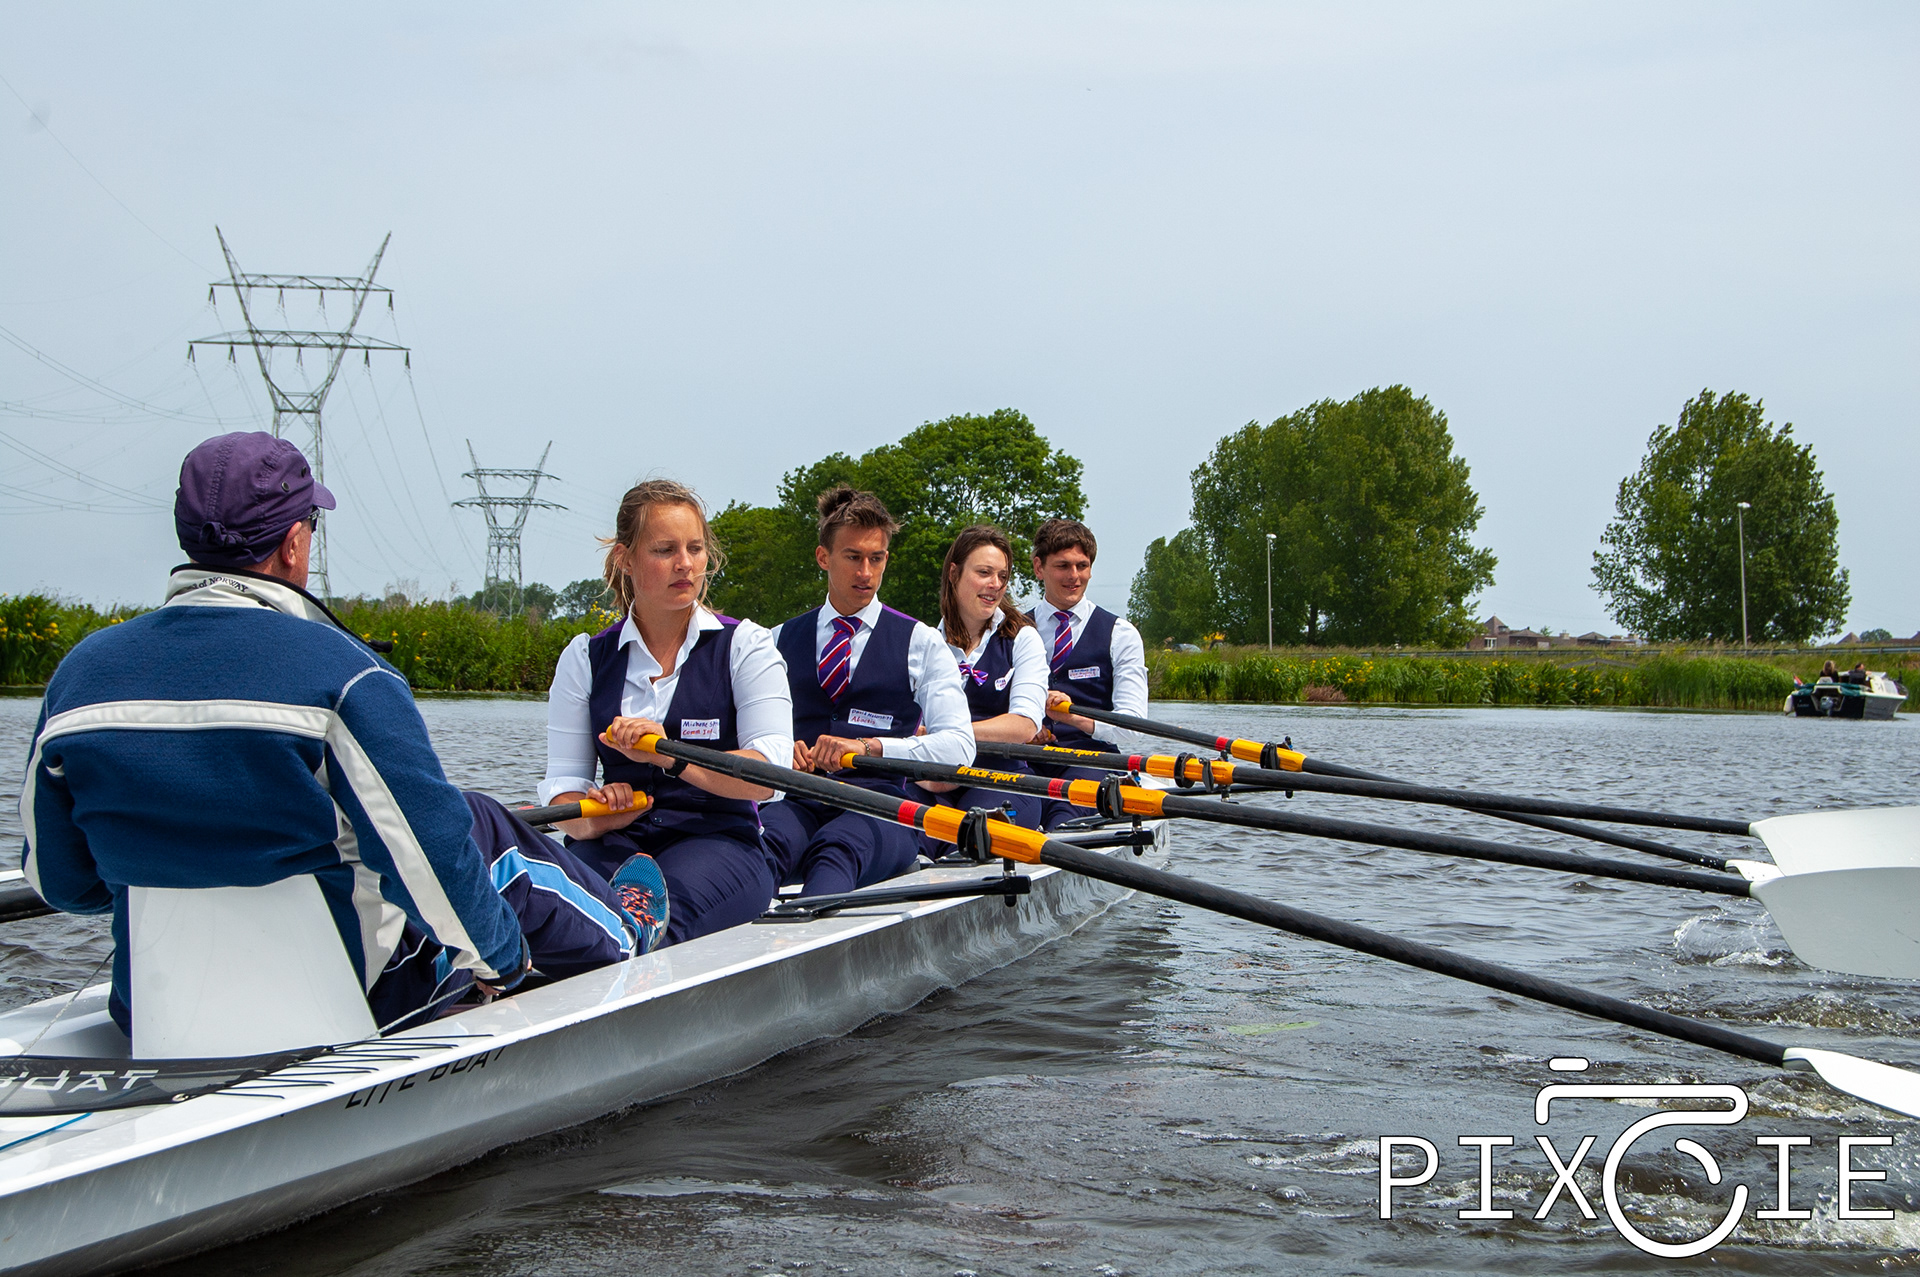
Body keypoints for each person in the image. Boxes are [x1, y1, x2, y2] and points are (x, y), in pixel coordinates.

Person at [20, 432, 659, 1040]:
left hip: (153, 1008)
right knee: (478, 826)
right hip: (342, 1001)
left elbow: (63, 884)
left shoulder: (77, 676)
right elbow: (431, 859)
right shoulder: (347, 675)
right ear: (293, 543)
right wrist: (505, 965)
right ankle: (629, 934)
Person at [540, 479, 791, 945]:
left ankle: (618, 949)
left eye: (695, 548)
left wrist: (669, 755)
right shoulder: (584, 658)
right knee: (548, 919)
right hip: (613, 842)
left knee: (645, 928)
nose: (685, 564)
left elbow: (770, 775)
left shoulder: (746, 646)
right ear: (625, 559)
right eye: (664, 550)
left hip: (718, 843)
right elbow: (563, 791)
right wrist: (596, 818)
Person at [763, 487, 975, 896]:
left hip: (882, 806)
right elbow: (749, 736)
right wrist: (778, 749)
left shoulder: (921, 642)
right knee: (761, 848)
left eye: (876, 559)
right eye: (853, 557)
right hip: (797, 799)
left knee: (836, 850)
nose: (865, 572)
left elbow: (959, 747)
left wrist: (870, 748)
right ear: (823, 557)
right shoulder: (775, 640)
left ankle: (813, 926)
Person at [914, 524, 1048, 832]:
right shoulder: (924, 643)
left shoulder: (1023, 639)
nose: (995, 584)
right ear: (954, 573)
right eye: (984, 573)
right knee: (901, 826)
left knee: (971, 830)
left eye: (1002, 576)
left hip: (1001, 778)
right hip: (934, 777)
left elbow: (1025, 724)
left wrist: (949, 735)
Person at [1026, 517, 1151, 830]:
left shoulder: (1120, 634)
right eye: (1063, 566)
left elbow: (1132, 725)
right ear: (1039, 568)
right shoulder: (1011, 629)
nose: (1074, 576)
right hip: (1025, 757)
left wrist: (1073, 717)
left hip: (1091, 761)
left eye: (1082, 566)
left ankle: (1058, 836)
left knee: (1063, 814)